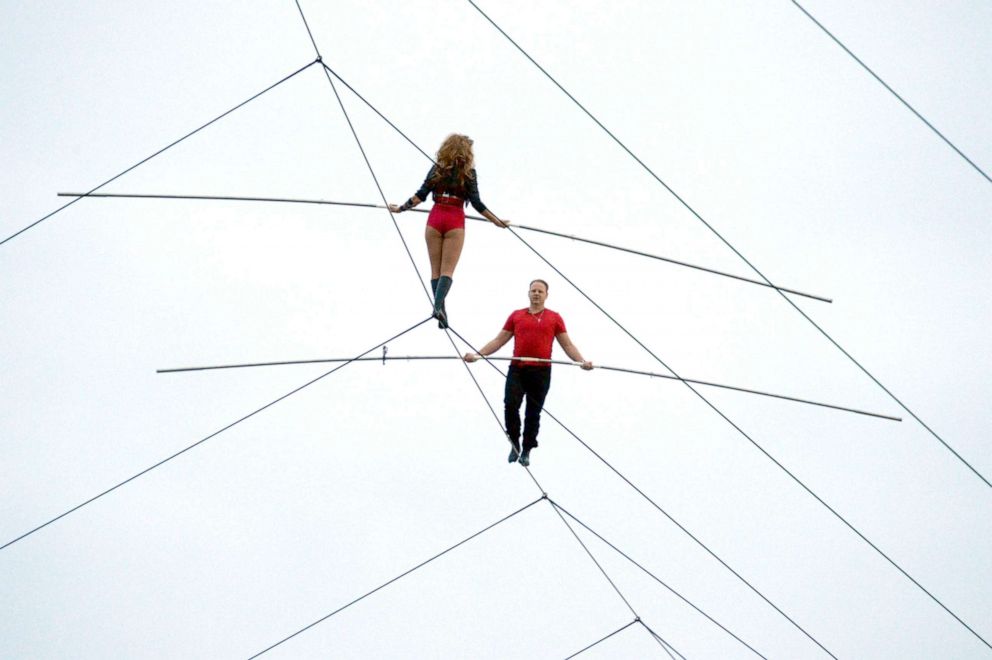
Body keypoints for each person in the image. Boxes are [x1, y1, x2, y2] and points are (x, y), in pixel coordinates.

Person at [463, 279, 592, 466]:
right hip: (518, 368)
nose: (537, 294)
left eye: (540, 291)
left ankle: (527, 449)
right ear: (528, 293)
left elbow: (567, 345)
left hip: (541, 371)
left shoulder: (554, 318)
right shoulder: (517, 316)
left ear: (547, 295)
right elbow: (499, 340)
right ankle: (514, 441)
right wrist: (478, 355)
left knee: (533, 412)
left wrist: (581, 361)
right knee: (510, 404)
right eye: (533, 291)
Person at [389, 134, 509, 328]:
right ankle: (437, 307)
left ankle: (440, 310)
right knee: (447, 270)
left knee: (435, 270)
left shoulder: (437, 169)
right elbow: (477, 203)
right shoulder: (469, 173)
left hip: (435, 218)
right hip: (454, 219)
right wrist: (496, 221)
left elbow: (420, 195)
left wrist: (401, 208)